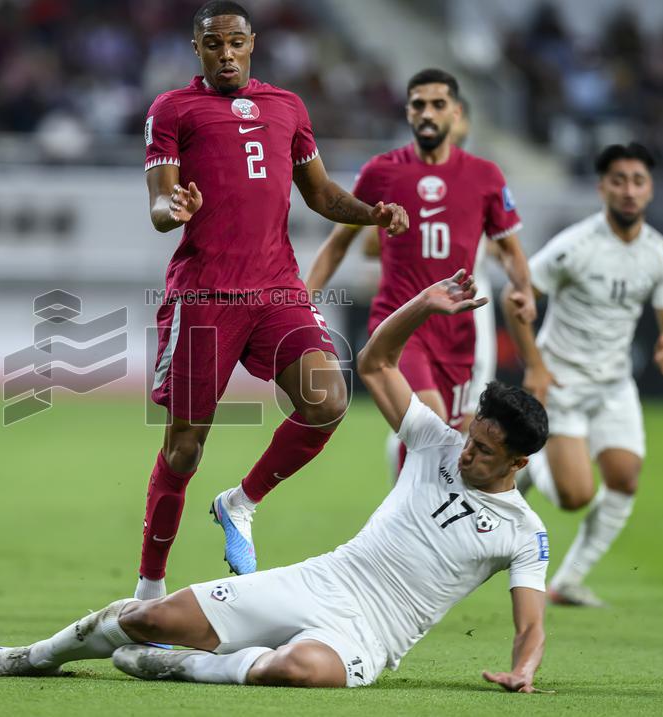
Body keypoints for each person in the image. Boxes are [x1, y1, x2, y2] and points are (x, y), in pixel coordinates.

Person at [0, 271, 551, 692]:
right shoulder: (435, 443)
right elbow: (374, 364)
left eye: (484, 451)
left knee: (295, 671)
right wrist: (422, 305)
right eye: (471, 437)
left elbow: (530, 626)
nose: (467, 452)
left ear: (517, 464)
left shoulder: (524, 534)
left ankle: (179, 668)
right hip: (321, 582)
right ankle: (34, 657)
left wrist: (523, 669)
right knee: (149, 620)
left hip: (373, 635)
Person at [135, 0, 408, 597]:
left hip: (277, 289)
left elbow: (321, 193)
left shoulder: (286, 106)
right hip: (204, 296)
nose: (225, 53)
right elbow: (160, 202)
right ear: (197, 49)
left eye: (235, 42)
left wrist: (372, 213)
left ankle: (241, 502)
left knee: (327, 400)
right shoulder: (173, 110)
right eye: (213, 44)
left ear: (252, 43)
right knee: (183, 451)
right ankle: (149, 590)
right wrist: (172, 207)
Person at [306, 69, 534, 450]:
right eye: (418, 105)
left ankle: (411, 496)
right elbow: (339, 243)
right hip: (400, 324)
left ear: (456, 113)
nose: (427, 113)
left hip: (459, 334)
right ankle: (400, 508)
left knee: (448, 441)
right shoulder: (381, 171)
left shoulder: (486, 176)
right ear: (408, 112)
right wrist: (305, 297)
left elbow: (510, 250)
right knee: (433, 427)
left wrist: (523, 289)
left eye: (438, 105)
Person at [504, 143, 663, 607]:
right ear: (602, 187)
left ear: (649, 189)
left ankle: (568, 581)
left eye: (637, 181)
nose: (628, 190)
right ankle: (533, 465)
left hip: (615, 384)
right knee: (574, 497)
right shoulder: (574, 245)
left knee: (625, 478)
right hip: (562, 381)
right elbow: (517, 298)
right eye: (618, 180)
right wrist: (535, 367)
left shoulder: (660, 254)